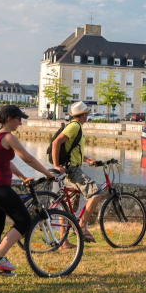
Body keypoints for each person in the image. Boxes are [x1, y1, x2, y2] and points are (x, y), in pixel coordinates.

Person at [0, 105, 54, 276]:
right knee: (24, 222)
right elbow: (28, 158)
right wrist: (47, 173)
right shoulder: (8, 137)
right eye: (18, 119)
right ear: (9, 119)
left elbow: (5, 162)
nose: (20, 123)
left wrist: (22, 177)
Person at [51, 101, 103, 242]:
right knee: (97, 192)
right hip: (72, 171)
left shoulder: (75, 127)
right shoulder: (74, 126)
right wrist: (56, 165)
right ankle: (82, 225)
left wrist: (88, 161)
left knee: (68, 207)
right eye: (87, 113)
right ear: (84, 115)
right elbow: (56, 142)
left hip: (72, 168)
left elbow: (73, 150)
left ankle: (63, 241)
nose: (88, 115)